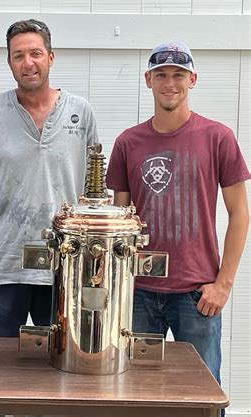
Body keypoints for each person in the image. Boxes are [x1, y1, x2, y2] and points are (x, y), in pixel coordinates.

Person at [106, 41, 250, 398]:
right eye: (161, 75)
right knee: (135, 392)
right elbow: (120, 222)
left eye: (178, 75)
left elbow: (240, 214)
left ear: (193, 79)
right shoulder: (128, 142)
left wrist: (223, 285)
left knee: (202, 394)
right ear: (148, 80)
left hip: (197, 294)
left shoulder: (218, 138)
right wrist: (117, 286)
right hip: (138, 293)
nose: (170, 83)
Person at [0, 19, 99, 337]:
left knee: (63, 374)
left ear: (51, 56)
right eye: (18, 56)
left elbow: (94, 195)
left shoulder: (81, 112)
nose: (27, 63)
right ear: (9, 62)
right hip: (2, 270)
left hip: (64, 270)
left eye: (35, 53)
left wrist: (93, 264)